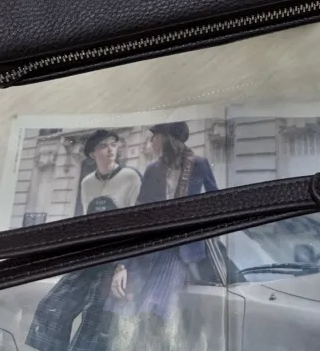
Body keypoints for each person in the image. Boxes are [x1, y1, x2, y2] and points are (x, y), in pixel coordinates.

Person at [26, 130, 141, 351]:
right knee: (50, 307)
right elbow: (89, 222)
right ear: (92, 153)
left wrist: (123, 265)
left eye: (113, 144)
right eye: (103, 146)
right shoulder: (87, 183)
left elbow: (138, 225)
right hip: (91, 255)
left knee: (94, 318)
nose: (110, 150)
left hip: (116, 258)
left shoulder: (131, 177)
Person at [108, 122, 218, 351]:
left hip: (180, 252)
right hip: (149, 250)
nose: (151, 142)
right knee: (122, 305)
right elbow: (139, 217)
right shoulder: (152, 169)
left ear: (168, 138)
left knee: (152, 310)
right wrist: (121, 265)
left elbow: (217, 204)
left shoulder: (199, 164)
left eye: (155, 136)